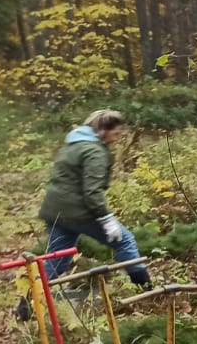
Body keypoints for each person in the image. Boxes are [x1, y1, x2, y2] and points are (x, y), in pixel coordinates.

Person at [35, 109, 151, 289]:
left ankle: (27, 304)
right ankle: (146, 288)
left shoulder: (72, 144)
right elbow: (92, 191)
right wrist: (106, 219)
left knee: (57, 261)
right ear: (103, 129)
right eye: (116, 132)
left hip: (55, 212)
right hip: (79, 212)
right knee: (125, 240)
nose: (118, 137)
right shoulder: (95, 151)